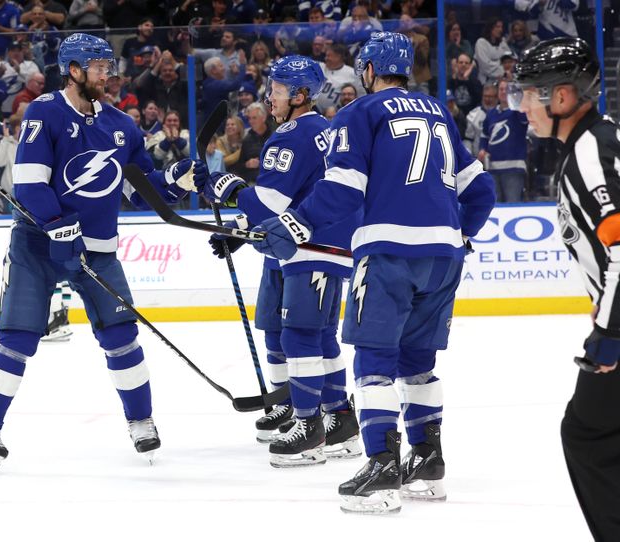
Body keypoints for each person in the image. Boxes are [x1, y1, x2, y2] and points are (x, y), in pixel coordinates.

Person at [250, 32, 495, 513]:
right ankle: (427, 462)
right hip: (445, 257)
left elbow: (341, 188)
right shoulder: (440, 112)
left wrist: (294, 223)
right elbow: (481, 187)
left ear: (369, 70)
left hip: (388, 253)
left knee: (374, 363)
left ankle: (382, 468)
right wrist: (458, 234)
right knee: (418, 363)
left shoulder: (359, 113)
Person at [0, 33, 208, 472]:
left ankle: (141, 421)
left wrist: (177, 179)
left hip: (96, 250)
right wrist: (58, 226)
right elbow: (31, 183)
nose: (107, 74)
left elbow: (140, 188)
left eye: (107, 66)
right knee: (16, 338)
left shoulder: (122, 125)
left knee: (121, 336)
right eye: (97, 67)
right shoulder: (44, 112)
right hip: (36, 244)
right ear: (73, 70)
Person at [204, 55, 361, 468]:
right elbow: (291, 199)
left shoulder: (293, 135)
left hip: (311, 246)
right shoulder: (321, 131)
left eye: (275, 91)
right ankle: (339, 420)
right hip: (319, 244)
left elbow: (272, 201)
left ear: (300, 95)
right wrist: (242, 229)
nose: (269, 97)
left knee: (301, 337)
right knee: (319, 336)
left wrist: (232, 188)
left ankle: (309, 428)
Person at [511, 37, 620, 541]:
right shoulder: (592, 143)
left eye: (529, 95)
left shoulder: (592, 154)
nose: (522, 107)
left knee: (589, 434)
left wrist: (609, 330)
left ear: (561, 97)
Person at [478, 78, 528, 202]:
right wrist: (482, 149)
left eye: (507, 89)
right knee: (494, 204)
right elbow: (484, 135)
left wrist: (516, 103)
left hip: (514, 167)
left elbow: (524, 121)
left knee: (513, 202)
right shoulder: (491, 114)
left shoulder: (518, 111)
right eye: (501, 89)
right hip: (493, 168)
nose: (503, 92)